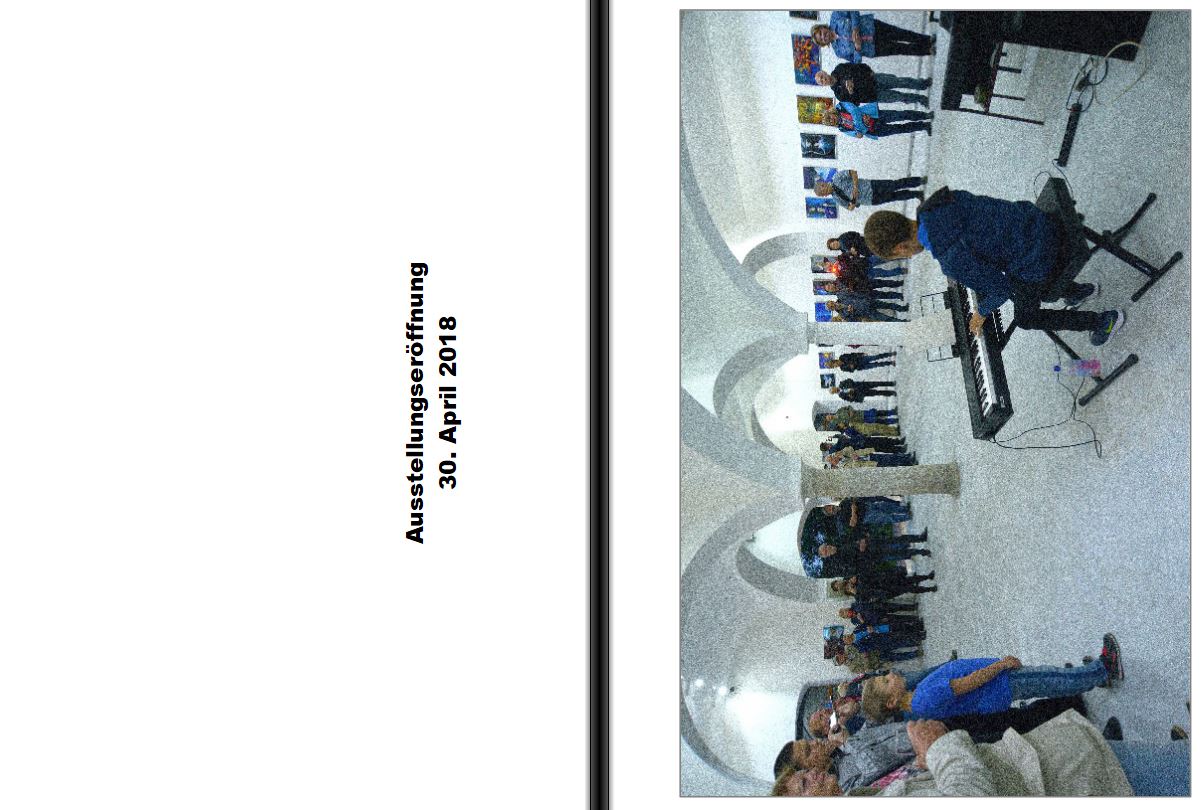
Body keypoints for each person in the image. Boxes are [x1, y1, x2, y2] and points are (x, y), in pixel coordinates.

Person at [863, 188, 1125, 346]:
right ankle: (1078, 290)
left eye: (901, 256)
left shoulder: (949, 257)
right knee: (1023, 279)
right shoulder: (938, 203)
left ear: (901, 248)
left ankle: (1101, 322)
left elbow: (1001, 289)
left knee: (1025, 317)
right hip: (1034, 220)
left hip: (1041, 251)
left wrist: (980, 313)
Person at [859, 636, 1124, 724]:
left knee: (1047, 678)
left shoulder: (916, 699)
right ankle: (1104, 669)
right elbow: (969, 683)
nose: (890, 675)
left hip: (995, 688)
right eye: (886, 681)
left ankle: (1089, 677)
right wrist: (1000, 665)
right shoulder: (923, 699)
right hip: (997, 685)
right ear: (892, 701)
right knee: (1048, 678)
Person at [811, 12, 935, 62]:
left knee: (901, 34)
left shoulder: (835, 17)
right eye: (821, 39)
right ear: (824, 44)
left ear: (823, 27)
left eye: (821, 33)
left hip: (873, 27)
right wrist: (858, 49)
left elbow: (853, 10)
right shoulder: (838, 52)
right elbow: (856, 61)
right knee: (899, 49)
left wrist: (855, 28)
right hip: (873, 49)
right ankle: (927, 50)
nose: (823, 36)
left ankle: (927, 39)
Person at [817, 63, 930, 107]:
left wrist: (868, 70)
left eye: (822, 76)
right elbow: (855, 103)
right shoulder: (839, 95)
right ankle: (920, 99)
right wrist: (851, 92)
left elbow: (856, 66)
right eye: (821, 81)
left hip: (874, 79)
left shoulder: (839, 68)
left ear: (824, 72)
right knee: (900, 97)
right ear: (823, 85)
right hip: (874, 95)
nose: (823, 79)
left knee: (900, 81)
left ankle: (922, 84)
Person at [816, 172, 926, 210]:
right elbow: (849, 208)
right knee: (894, 197)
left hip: (872, 186)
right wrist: (853, 201)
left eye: (822, 190)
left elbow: (853, 172)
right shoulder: (836, 199)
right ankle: (917, 194)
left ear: (823, 184)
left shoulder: (837, 178)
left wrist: (855, 187)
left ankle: (918, 181)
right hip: (870, 200)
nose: (825, 194)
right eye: (823, 195)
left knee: (895, 185)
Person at [823, 103, 931, 140]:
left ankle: (925, 115)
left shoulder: (841, 106)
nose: (832, 120)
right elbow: (859, 135)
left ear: (831, 112)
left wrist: (859, 125)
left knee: (901, 115)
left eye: (830, 118)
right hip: (875, 130)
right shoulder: (842, 128)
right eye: (830, 122)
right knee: (900, 129)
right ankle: (924, 126)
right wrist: (863, 123)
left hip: (876, 116)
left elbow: (854, 110)